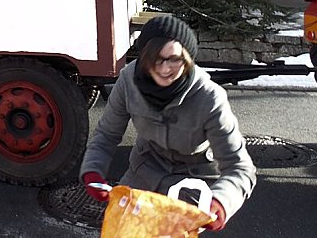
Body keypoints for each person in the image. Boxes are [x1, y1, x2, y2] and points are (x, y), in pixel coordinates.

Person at [80, 15, 256, 232]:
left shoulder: (210, 97)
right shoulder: (128, 81)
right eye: (156, 59)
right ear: (143, 58)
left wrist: (220, 203)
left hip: (191, 182)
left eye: (174, 59)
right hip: (144, 172)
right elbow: (106, 135)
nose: (165, 69)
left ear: (187, 58)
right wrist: (92, 171)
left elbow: (240, 167)